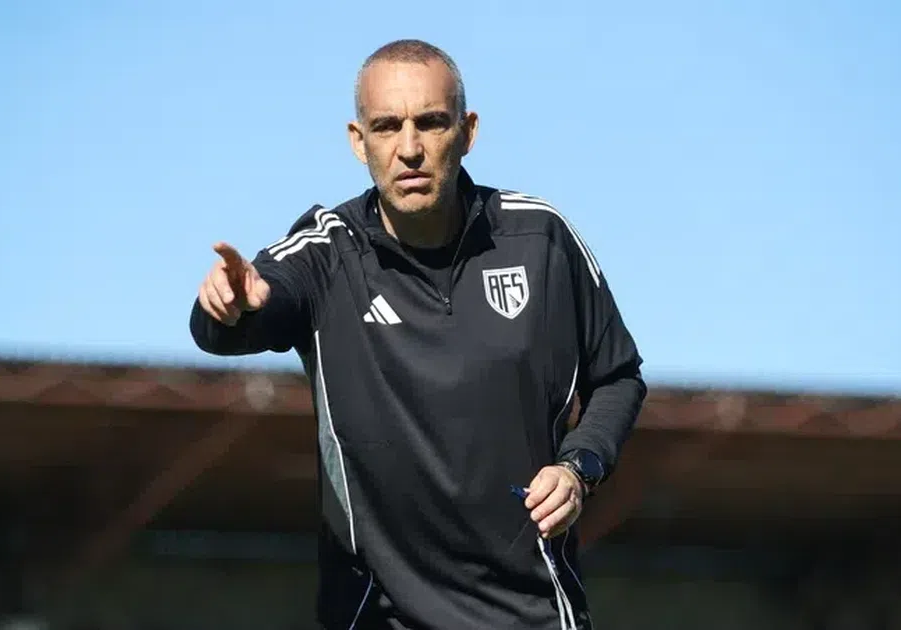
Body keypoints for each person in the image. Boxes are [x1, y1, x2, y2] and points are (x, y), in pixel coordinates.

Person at [190, 39, 646, 630]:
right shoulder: (328, 253)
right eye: (387, 127)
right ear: (358, 141)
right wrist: (228, 307)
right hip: (376, 617)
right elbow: (243, 315)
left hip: (532, 613)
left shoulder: (541, 239)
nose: (409, 148)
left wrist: (577, 469)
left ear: (467, 131)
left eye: (430, 123)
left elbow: (617, 375)